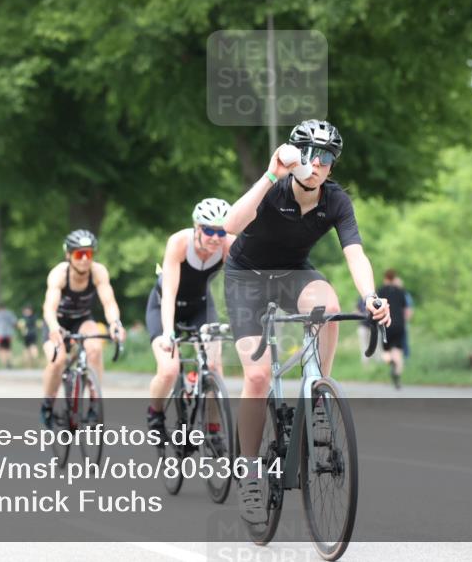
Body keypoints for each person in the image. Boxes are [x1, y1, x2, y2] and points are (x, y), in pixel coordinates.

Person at [222, 119, 391, 524]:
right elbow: (229, 224)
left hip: (293, 273)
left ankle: (318, 394)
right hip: (246, 277)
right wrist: (269, 174)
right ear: (295, 156)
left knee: (328, 306)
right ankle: (249, 473)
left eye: (326, 158)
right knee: (259, 377)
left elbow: (355, 253)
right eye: (309, 155)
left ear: (333, 166)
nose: (316, 165)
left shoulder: (335, 201)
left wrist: (370, 296)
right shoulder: (275, 188)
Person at [146, 198, 235, 442]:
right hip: (165, 306)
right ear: (197, 228)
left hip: (201, 308)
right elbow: (169, 294)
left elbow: (238, 288)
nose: (216, 237)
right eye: (209, 230)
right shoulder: (179, 242)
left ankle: (214, 428)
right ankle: (155, 413)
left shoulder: (229, 245)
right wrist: (167, 333)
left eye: (222, 231)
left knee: (214, 366)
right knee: (169, 369)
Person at [40, 229, 126, 428]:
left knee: (95, 349)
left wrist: (115, 323)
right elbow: (49, 308)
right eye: (79, 254)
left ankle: (95, 403)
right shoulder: (59, 275)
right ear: (68, 255)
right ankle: (47, 404)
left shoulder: (98, 272)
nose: (85, 259)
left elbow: (109, 303)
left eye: (89, 253)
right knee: (58, 359)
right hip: (57, 321)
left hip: (82, 319)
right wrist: (54, 328)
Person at [376, 270, 409, 389]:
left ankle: (391, 362)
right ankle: (397, 376)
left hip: (386, 323)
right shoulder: (401, 292)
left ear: (385, 278)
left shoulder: (380, 291)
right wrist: (404, 322)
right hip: (400, 325)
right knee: (398, 352)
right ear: (394, 278)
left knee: (385, 352)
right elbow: (407, 311)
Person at [0, 303, 18, 369]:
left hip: (0, 334)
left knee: (1, 350)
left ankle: (4, 364)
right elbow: (15, 323)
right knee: (8, 349)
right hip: (8, 334)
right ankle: (9, 363)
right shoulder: (10, 313)